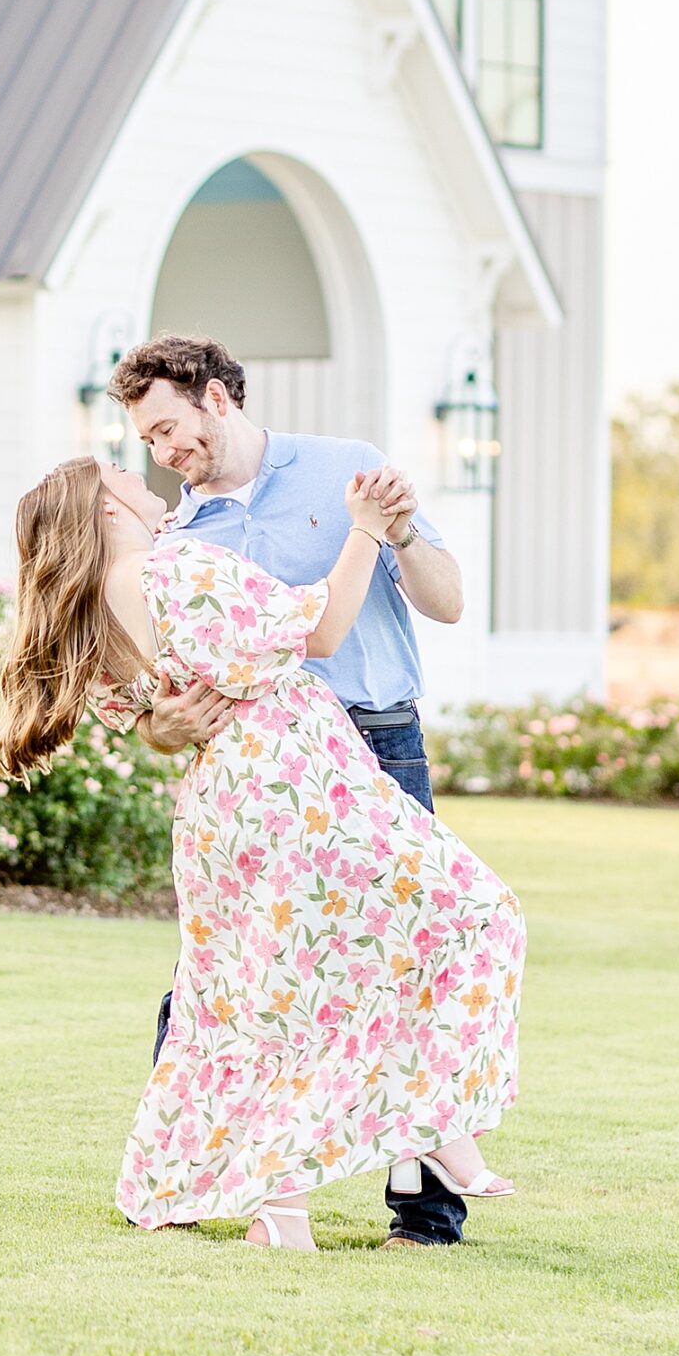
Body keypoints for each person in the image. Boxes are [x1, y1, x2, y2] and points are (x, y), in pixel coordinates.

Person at [0, 454, 524, 1248]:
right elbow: (322, 628)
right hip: (297, 786)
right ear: (104, 512)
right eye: (122, 478)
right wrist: (366, 532)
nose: (143, 477)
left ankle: (288, 1210)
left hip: (225, 807)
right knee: (474, 915)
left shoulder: (92, 611)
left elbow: (138, 710)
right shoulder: (174, 569)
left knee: (260, 1001)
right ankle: (427, 1119)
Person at [107, 333, 474, 1248]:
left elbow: (447, 598)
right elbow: (152, 699)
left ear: (215, 399)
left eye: (167, 429)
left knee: (416, 959)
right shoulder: (173, 535)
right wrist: (163, 729)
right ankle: (185, 1182)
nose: (163, 454)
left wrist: (391, 531)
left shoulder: (346, 470)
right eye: (147, 443)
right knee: (224, 978)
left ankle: (426, 1215)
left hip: (376, 742)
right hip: (261, 775)